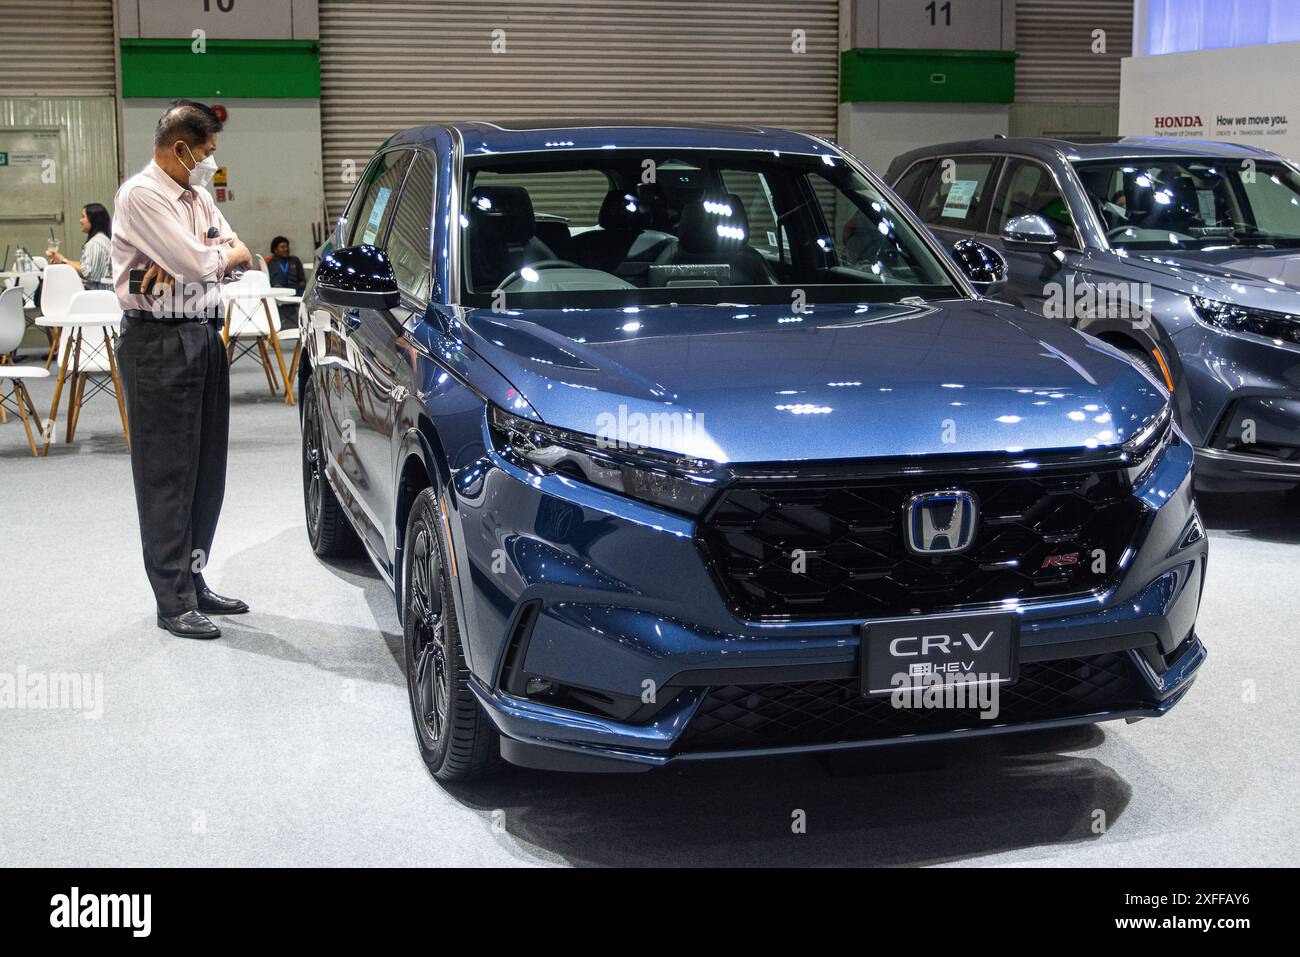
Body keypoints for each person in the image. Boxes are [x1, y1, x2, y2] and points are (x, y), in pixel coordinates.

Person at [110, 99, 254, 640]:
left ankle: (194, 581)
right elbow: (201, 261)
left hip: (203, 336)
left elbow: (240, 252)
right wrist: (203, 258)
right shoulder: (143, 194)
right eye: (207, 153)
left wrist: (208, 257)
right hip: (158, 343)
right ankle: (171, 601)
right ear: (180, 149)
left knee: (205, 471)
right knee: (167, 475)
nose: (211, 164)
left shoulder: (197, 196)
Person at [46, 203, 113, 289]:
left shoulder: (95, 244)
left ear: (93, 220)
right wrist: (62, 261)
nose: (80, 221)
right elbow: (85, 265)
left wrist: (62, 260)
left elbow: (87, 272)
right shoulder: (102, 239)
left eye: (83, 217)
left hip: (96, 294)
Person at [266, 235, 305, 328]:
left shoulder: (295, 260)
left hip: (295, 290)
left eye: (287, 246)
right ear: (275, 250)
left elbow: (302, 280)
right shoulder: (271, 263)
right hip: (279, 291)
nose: (286, 249)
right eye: (282, 247)